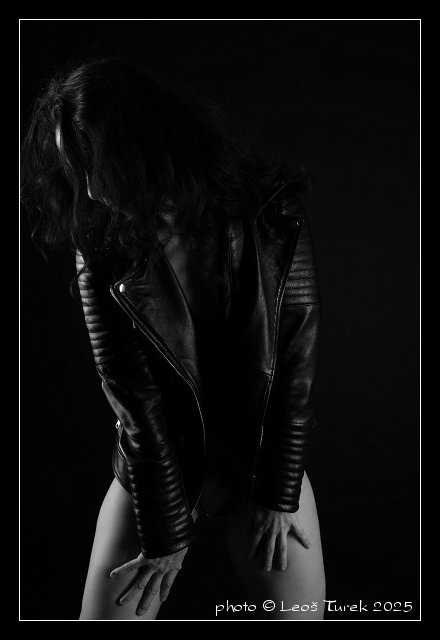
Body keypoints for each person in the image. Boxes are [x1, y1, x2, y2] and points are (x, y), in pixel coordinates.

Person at [21, 57, 326, 620]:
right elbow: (137, 403)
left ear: (142, 145)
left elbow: (294, 366)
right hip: (159, 466)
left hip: (258, 462)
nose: (91, 190)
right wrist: (166, 533)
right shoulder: (101, 250)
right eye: (75, 169)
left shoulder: (270, 213)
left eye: (96, 164)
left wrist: (279, 491)